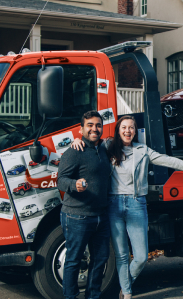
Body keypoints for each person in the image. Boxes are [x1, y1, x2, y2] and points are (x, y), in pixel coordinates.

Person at [71, 115, 183, 299]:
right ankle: (127, 293)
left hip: (137, 204)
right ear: (118, 130)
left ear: (135, 131)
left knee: (141, 256)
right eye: (124, 127)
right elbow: (90, 141)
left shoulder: (142, 150)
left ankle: (125, 284)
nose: (128, 131)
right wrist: (76, 140)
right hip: (114, 205)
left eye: (131, 128)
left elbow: (167, 160)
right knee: (121, 255)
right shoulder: (108, 146)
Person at [57, 110, 112, 299]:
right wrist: (74, 185)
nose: (94, 129)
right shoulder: (75, 150)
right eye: (90, 125)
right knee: (73, 260)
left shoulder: (104, 148)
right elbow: (61, 180)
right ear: (81, 129)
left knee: (100, 259)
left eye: (98, 125)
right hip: (76, 216)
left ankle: (92, 296)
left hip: (101, 216)